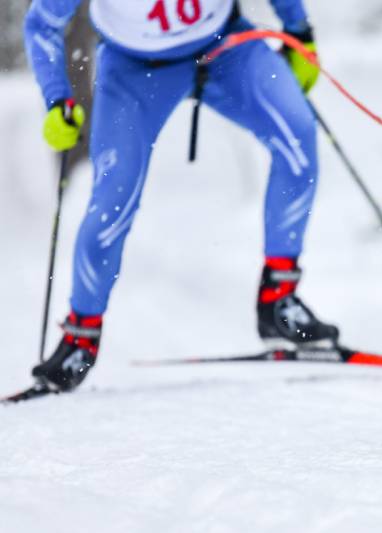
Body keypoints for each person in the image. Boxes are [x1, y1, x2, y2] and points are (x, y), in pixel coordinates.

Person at [23, 0, 339, 392]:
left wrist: (299, 32)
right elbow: (41, 24)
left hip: (226, 45)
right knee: (112, 200)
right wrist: (57, 98)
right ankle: (79, 338)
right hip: (134, 69)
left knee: (299, 138)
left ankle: (279, 299)